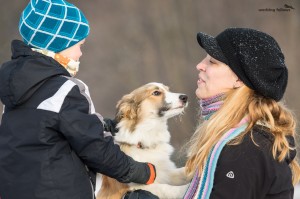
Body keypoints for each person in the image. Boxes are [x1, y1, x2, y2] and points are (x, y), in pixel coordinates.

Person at [0, 0, 157, 198]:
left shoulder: (12, 94)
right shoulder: (65, 89)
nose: (80, 53)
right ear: (59, 44)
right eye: (79, 45)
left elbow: (47, 131)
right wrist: (142, 172)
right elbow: (96, 149)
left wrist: (104, 125)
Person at [183, 28, 300, 199]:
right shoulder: (245, 139)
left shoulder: (246, 148)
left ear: (238, 79)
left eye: (213, 61)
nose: (200, 65)